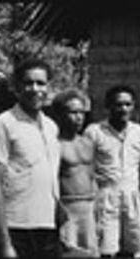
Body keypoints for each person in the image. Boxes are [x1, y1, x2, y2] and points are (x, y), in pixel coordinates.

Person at [0, 58, 61, 258]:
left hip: (48, 227)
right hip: (16, 228)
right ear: (17, 87)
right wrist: (4, 242)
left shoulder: (52, 127)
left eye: (41, 83)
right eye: (28, 83)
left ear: (49, 87)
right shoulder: (3, 124)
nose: (35, 89)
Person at [84, 85, 140, 257]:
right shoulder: (94, 132)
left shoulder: (139, 132)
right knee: (106, 249)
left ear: (133, 106)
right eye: (118, 104)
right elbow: (84, 166)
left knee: (132, 249)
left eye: (128, 104)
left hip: (132, 197)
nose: (123, 109)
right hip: (105, 197)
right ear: (108, 106)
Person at [51, 89, 99, 257]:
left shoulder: (87, 142)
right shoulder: (55, 145)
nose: (79, 117)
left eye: (81, 112)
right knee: (69, 253)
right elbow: (51, 181)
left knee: (90, 253)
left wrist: (96, 204)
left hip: (88, 207)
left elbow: (92, 175)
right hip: (67, 208)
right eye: (73, 112)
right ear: (60, 114)